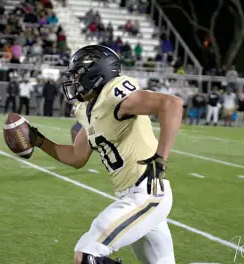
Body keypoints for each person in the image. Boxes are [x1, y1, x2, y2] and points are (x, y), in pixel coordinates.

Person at [27, 45, 181, 264]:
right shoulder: (88, 108)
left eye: (79, 75)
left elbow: (171, 103)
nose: (75, 81)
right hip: (132, 196)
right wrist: (39, 141)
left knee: (87, 255)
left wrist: (160, 159)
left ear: (97, 74)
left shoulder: (115, 95)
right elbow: (75, 156)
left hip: (146, 192)